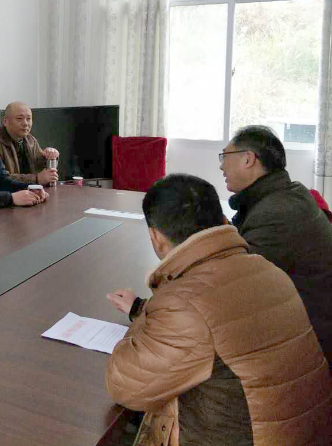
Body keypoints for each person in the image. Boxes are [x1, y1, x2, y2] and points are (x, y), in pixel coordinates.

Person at [105, 174, 331, 446]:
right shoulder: (267, 268)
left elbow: (123, 385)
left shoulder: (184, 304)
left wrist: (154, 306)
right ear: (222, 220)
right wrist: (148, 308)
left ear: (155, 236)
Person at [220, 125, 332, 362]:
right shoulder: (290, 193)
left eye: (224, 156)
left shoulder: (275, 213)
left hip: (310, 346)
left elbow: (232, 287)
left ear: (248, 159)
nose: (221, 166)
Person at [0, 101, 59, 185]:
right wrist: (36, 179)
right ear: (5, 121)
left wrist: (49, 155)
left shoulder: (30, 139)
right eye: (19, 119)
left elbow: (39, 167)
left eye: (28, 119)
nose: (25, 123)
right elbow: (0, 178)